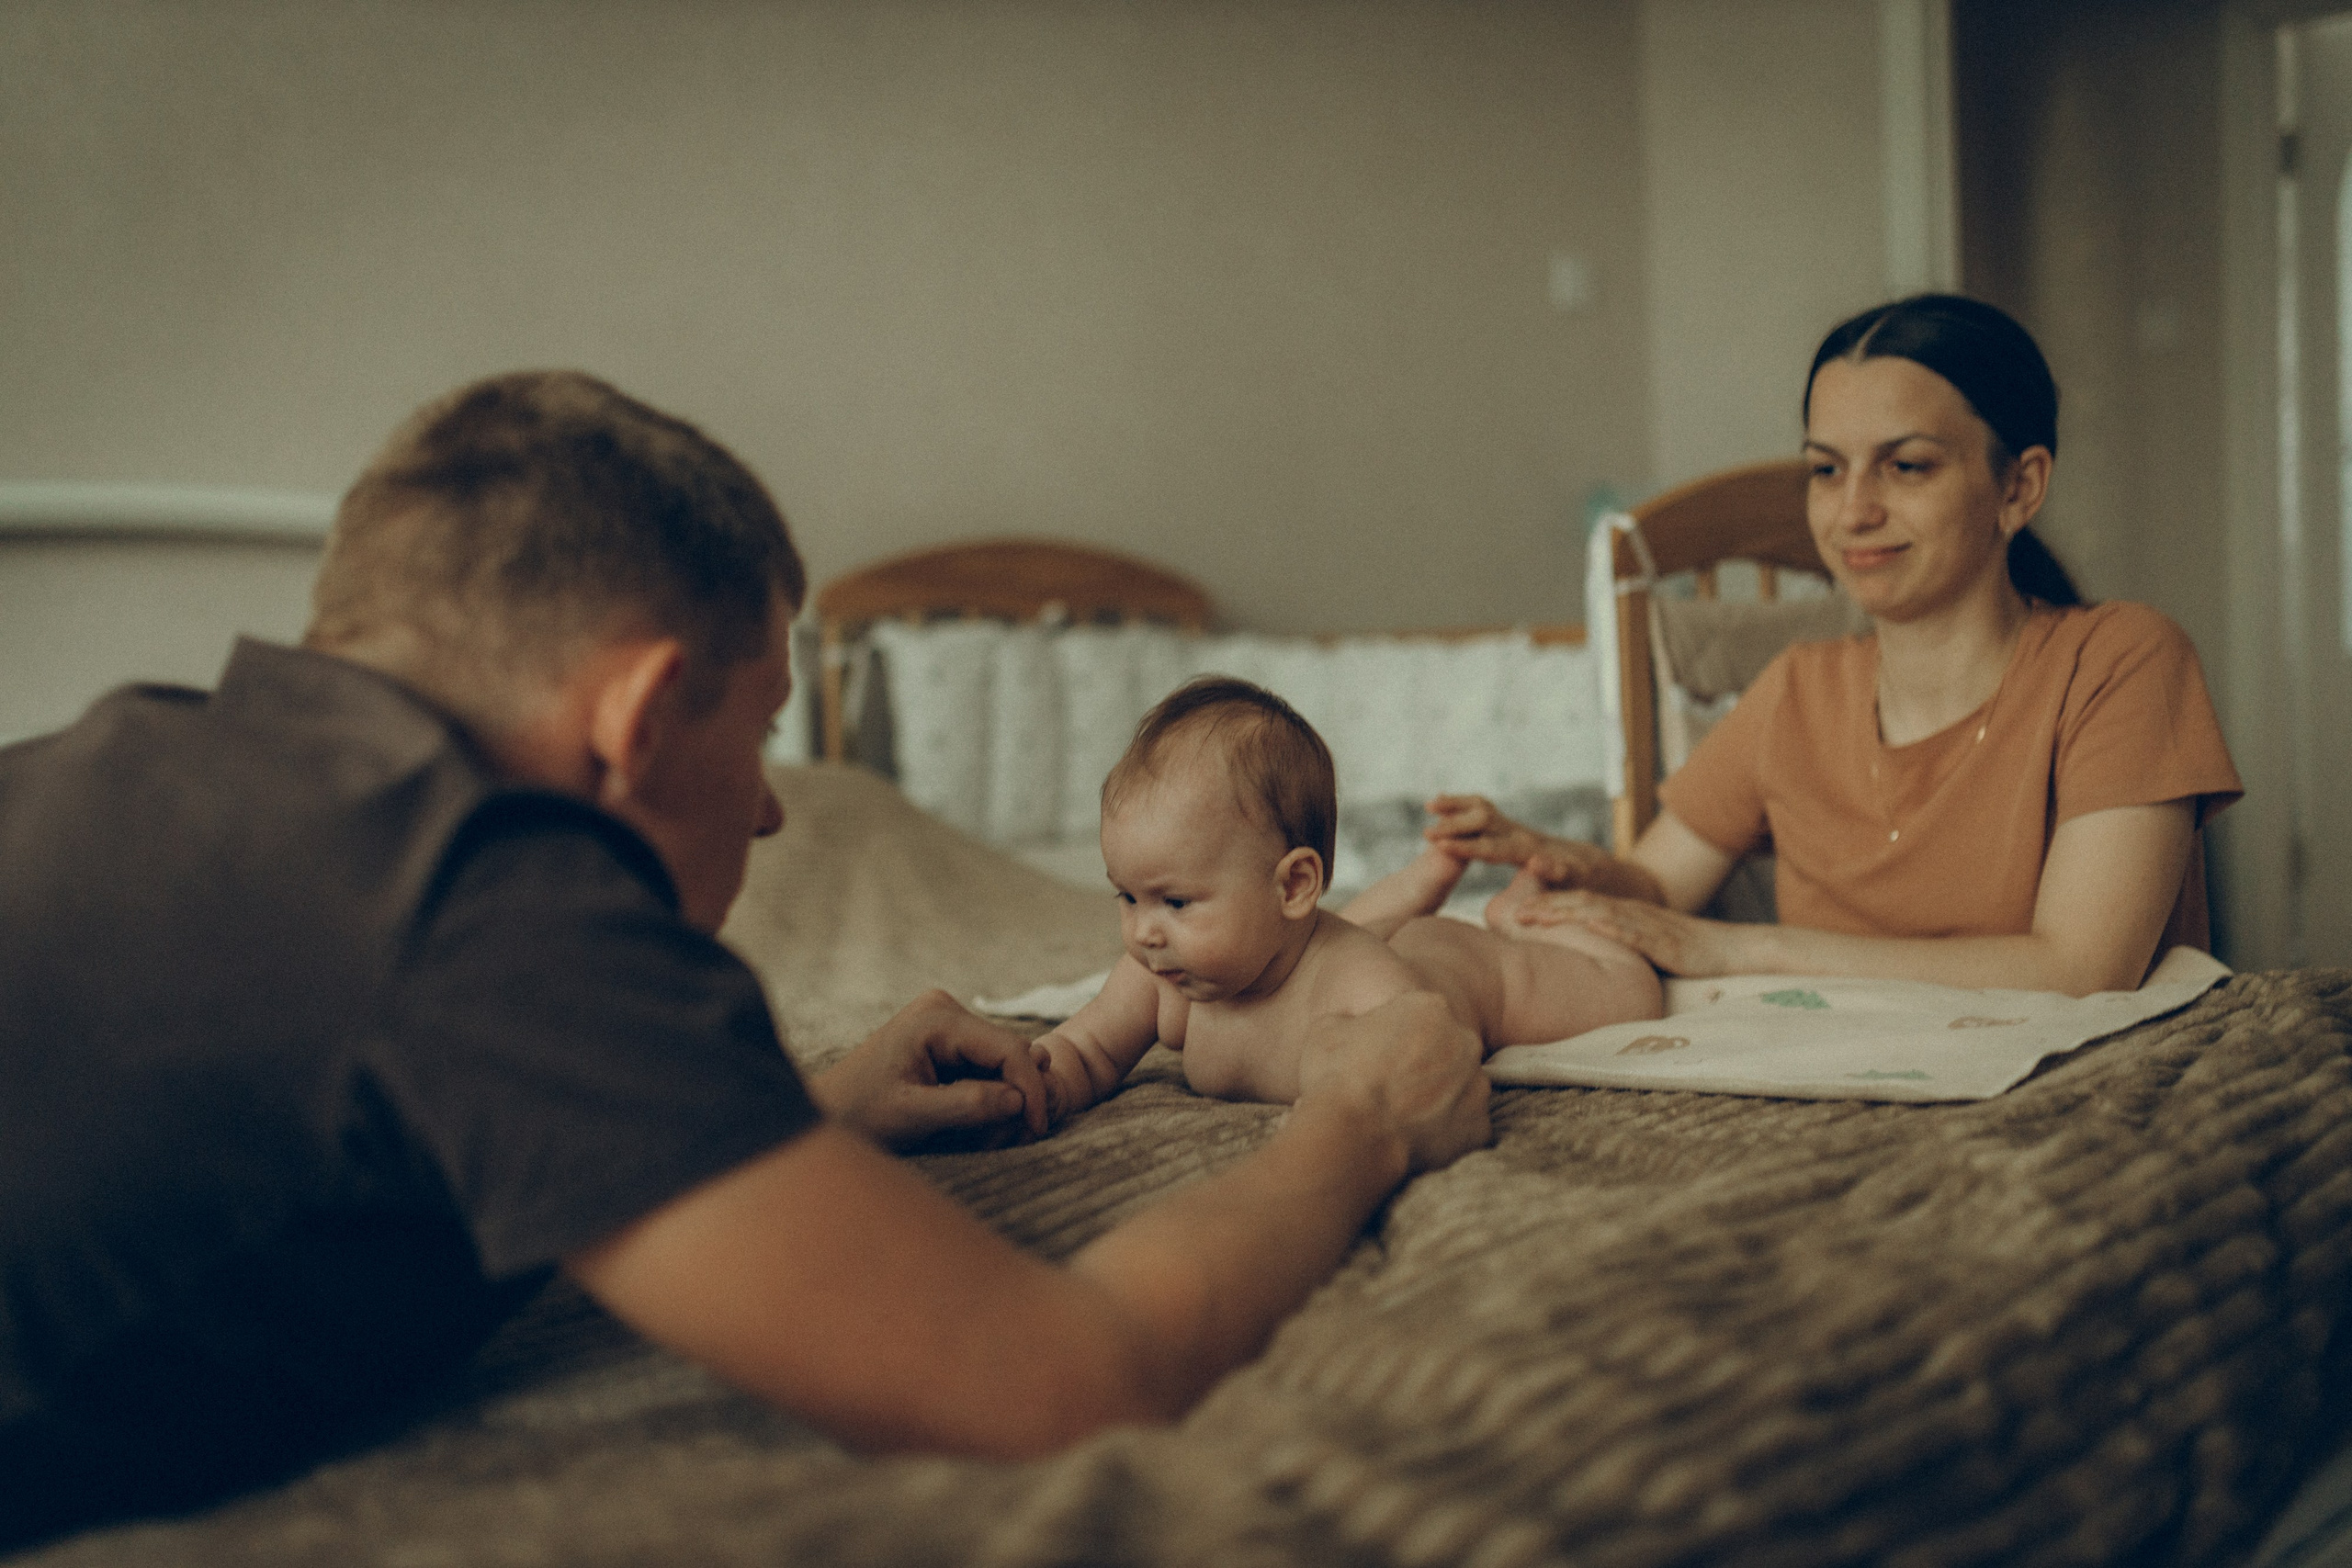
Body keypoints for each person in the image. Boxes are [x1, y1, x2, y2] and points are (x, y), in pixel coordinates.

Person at [0, 371, 1491, 1550]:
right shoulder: (483, 889)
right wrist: (1364, 1121)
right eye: (763, 727)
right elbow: (1060, 1385)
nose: (776, 804)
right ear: (642, 717)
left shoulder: (122, 761)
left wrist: (810, 1117)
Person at [1423, 294, 2243, 998]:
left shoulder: (2123, 661)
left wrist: (1747, 947)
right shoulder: (1797, 692)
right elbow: (1657, 885)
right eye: (1826, 470)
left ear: (2019, 486)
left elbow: (2082, 969)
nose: (1852, 512)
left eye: (1907, 466)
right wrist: (1563, 861)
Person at [1030, 678, 1661, 1117]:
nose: (1143, 930)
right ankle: (1424, 880)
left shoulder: (1365, 986)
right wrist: (1039, 1083)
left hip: (1469, 971)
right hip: (1322, 939)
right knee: (1346, 928)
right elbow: (1086, 1049)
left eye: (1173, 901)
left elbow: (1423, 1068)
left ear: (1294, 885)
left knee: (1634, 992)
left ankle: (1526, 910)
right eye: (1127, 897)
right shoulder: (1163, 973)